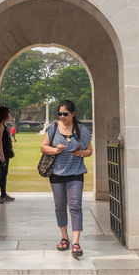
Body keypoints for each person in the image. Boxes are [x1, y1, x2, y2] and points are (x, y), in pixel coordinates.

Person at [40, 99, 93, 258]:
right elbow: (43, 147)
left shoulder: (81, 130)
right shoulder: (53, 128)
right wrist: (55, 150)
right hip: (57, 173)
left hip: (75, 172)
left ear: (73, 114)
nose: (62, 116)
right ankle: (65, 237)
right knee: (60, 206)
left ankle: (76, 242)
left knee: (75, 205)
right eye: (60, 114)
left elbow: (89, 150)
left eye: (65, 114)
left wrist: (81, 153)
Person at [0, 106, 14, 203]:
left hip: (6, 152)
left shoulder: (4, 124)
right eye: (9, 112)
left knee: (4, 173)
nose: (10, 113)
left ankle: (3, 194)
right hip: (1, 153)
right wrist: (1, 155)